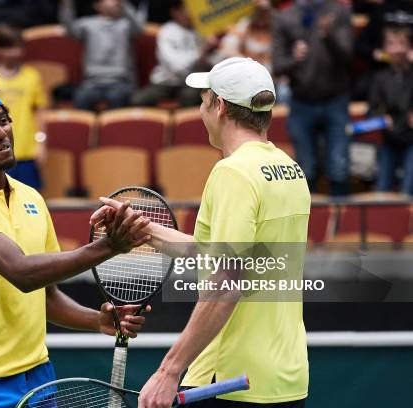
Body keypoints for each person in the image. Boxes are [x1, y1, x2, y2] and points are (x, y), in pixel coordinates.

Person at [92, 57, 310, 407]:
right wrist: (141, 228)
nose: (200, 107)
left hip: (228, 380)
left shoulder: (233, 173)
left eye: (203, 98)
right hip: (284, 377)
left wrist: (169, 370)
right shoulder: (290, 170)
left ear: (220, 106)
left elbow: (227, 281)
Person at [0, 75, 151, 407]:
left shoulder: (30, 197)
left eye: (3, 121)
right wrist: (108, 246)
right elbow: (23, 273)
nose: (1, 132)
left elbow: (46, 296)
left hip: (37, 374)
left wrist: (96, 319)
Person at [272, 0, 352, 196]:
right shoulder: (285, 17)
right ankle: (308, 225)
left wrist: (329, 36)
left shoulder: (338, 12)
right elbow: (278, 65)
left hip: (335, 100)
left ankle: (342, 225)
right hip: (301, 102)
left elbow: (348, 56)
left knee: (339, 168)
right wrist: (294, 58)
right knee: (305, 170)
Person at [0, 25, 48, 191]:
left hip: (26, 151)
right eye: (10, 47)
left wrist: (41, 142)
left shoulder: (32, 76)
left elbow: (40, 112)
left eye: (18, 46)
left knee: (30, 199)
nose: (15, 52)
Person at [59, 0, 144, 110]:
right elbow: (69, 30)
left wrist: (124, 4)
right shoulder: (88, 24)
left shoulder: (126, 25)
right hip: (92, 83)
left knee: (117, 98)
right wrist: (67, 5)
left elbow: (139, 29)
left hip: (121, 83)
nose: (113, 2)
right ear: (97, 6)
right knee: (81, 97)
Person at [131, 0, 214, 108]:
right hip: (166, 82)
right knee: (138, 99)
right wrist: (200, 53)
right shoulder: (167, 31)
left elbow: (214, 64)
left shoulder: (202, 31)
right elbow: (176, 67)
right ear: (175, 12)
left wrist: (212, 49)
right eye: (186, 9)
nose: (191, 13)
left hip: (192, 82)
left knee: (190, 96)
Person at [368, 26, 413, 195]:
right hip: (390, 138)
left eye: (402, 44)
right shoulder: (380, 77)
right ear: (385, 49)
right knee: (382, 188)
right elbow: (371, 111)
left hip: (411, 138)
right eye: (391, 44)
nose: (397, 49)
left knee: (408, 189)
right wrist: (382, 118)